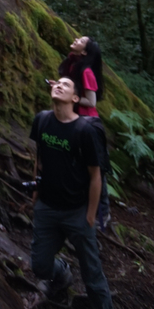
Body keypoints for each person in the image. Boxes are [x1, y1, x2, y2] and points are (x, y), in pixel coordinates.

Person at [30, 75, 113, 309]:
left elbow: (96, 175)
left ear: (76, 98)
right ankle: (62, 274)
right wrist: (36, 189)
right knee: (39, 266)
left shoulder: (84, 130)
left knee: (92, 276)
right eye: (56, 83)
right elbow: (39, 157)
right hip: (47, 207)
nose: (58, 85)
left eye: (65, 85)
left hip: (77, 211)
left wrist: (91, 215)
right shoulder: (42, 120)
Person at [56, 34, 111, 228]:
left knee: (95, 167)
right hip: (74, 119)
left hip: (88, 123)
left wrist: (73, 98)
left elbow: (91, 101)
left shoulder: (86, 71)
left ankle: (101, 214)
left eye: (81, 41)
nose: (76, 39)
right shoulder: (71, 64)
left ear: (85, 51)